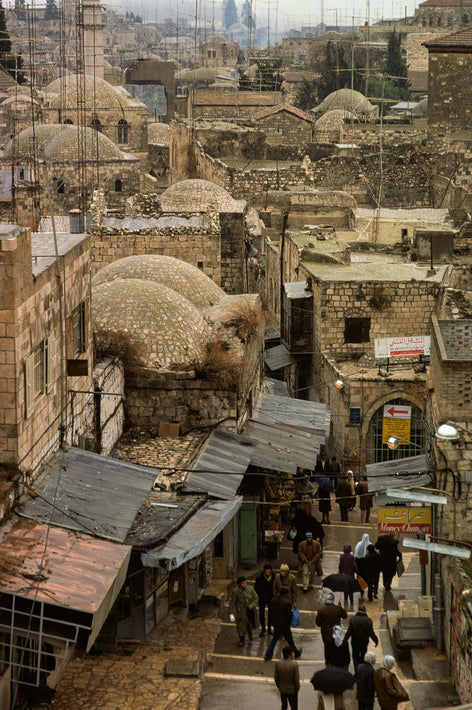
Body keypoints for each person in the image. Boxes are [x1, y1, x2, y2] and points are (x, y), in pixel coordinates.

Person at [264, 586, 302, 661]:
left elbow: (271, 612)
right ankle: (296, 653)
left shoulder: (273, 600)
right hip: (285, 625)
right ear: (286, 594)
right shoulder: (287, 602)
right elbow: (289, 615)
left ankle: (268, 654)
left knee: (274, 639)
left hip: (276, 623)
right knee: (290, 640)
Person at [344, 604, 378, 672]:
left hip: (355, 642)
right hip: (364, 643)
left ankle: (357, 671)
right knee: (363, 657)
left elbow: (349, 632)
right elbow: (371, 633)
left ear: (358, 610)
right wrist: (376, 640)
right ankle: (362, 671)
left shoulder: (353, 619)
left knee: (355, 657)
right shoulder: (369, 620)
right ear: (365, 611)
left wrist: (345, 640)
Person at [229, 576, 260, 647]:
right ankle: (241, 640)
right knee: (240, 626)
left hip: (250, 610)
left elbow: (256, 598)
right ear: (239, 584)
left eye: (245, 583)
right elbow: (232, 602)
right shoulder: (236, 591)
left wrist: (252, 605)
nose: (244, 584)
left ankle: (250, 633)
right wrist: (230, 612)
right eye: (243, 583)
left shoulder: (250, 589)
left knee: (249, 624)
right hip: (241, 611)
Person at [274, 645, 300, 710]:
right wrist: (297, 688)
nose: (294, 654)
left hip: (282, 689)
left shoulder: (278, 664)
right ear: (289, 655)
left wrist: (279, 686)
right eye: (293, 653)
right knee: (294, 707)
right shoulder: (294, 665)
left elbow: (276, 677)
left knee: (284, 706)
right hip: (292, 690)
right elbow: (296, 680)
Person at [255, 563, 275, 636]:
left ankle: (269, 628)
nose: (267, 573)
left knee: (271, 614)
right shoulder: (259, 578)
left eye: (269, 572)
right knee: (261, 614)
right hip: (262, 599)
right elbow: (256, 589)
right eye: (266, 572)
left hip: (271, 598)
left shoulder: (274, 577)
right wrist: (260, 597)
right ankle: (263, 629)